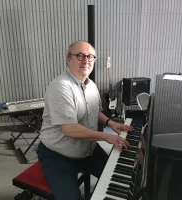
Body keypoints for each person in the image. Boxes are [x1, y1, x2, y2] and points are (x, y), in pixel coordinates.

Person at [37, 40, 133, 200]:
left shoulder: (91, 86)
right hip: (58, 154)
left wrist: (110, 123)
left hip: (87, 149)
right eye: (80, 55)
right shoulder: (60, 87)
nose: (86, 60)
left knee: (118, 178)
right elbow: (70, 129)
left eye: (90, 56)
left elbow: (94, 111)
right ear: (68, 59)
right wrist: (106, 136)